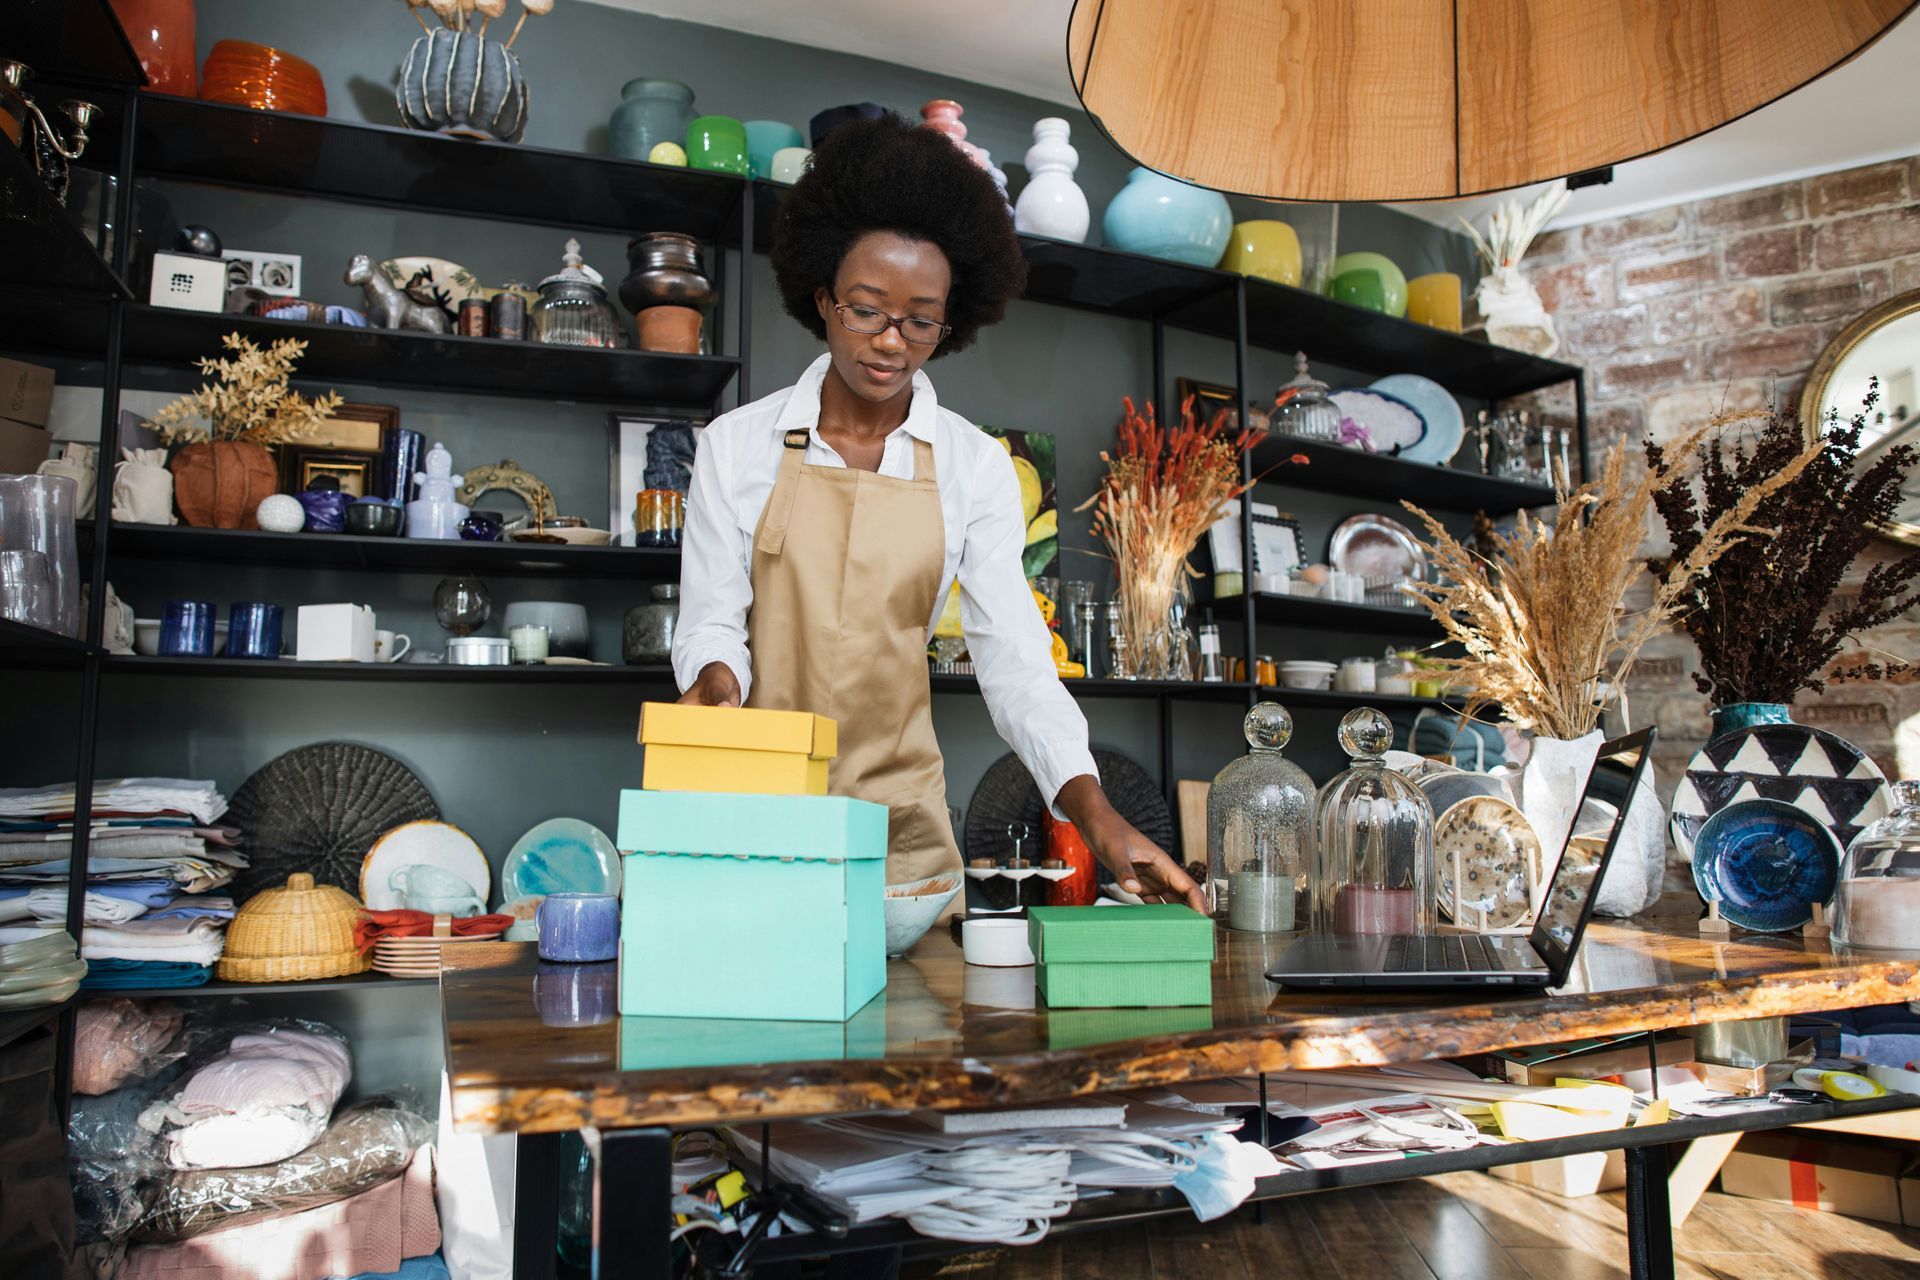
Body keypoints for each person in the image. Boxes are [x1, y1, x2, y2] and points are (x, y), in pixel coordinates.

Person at [673, 114, 1202, 912]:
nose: (891, 342)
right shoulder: (734, 447)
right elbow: (713, 620)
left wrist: (1093, 813)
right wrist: (715, 684)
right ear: (822, 298)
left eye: (921, 319)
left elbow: (1016, 661)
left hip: (900, 847)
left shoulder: (974, 467)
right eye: (866, 309)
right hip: (757, 821)